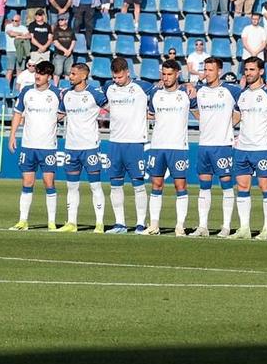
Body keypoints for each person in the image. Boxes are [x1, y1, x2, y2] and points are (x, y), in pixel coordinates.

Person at [8, 58, 61, 230]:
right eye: (37, 72)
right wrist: (12, 135)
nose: (38, 76)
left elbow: (66, 112)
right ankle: (23, 221)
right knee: (27, 182)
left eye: (42, 73)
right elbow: (17, 113)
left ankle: (52, 222)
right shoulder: (26, 91)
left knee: (48, 182)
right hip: (28, 145)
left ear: (49, 76)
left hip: (48, 146)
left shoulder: (57, 94)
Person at [101, 56, 151, 234]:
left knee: (138, 184)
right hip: (115, 142)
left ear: (128, 72)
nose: (116, 81)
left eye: (119, 77)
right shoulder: (109, 88)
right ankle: (120, 223)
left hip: (135, 142)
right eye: (114, 77)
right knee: (115, 184)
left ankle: (140, 223)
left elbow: (163, 92)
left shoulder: (143, 87)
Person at [189, 57, 239, 237]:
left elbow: (244, 109)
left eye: (210, 70)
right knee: (204, 185)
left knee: (226, 185)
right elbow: (197, 113)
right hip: (204, 145)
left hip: (223, 145)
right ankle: (203, 226)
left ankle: (226, 226)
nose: (207, 73)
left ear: (219, 71)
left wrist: (231, 125)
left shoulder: (230, 90)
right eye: (205, 70)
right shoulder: (200, 91)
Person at [231, 56, 267, 240]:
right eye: (246, 69)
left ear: (261, 71)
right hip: (242, 148)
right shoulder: (242, 95)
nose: (248, 73)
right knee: (242, 187)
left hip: (261, 148)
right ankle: (244, 228)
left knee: (266, 187)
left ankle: (266, 228)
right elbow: (236, 118)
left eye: (252, 69)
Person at [144, 59, 194, 237]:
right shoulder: (156, 95)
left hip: (178, 147)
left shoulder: (187, 94)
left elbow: (199, 113)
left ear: (177, 74)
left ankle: (180, 225)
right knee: (156, 184)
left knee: (180, 185)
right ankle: (154, 225)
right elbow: (150, 115)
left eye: (169, 74)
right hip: (157, 146)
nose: (165, 78)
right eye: (163, 74)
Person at [56, 61, 104, 231]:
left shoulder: (94, 94)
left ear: (83, 76)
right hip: (71, 147)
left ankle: (99, 223)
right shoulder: (66, 95)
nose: (70, 76)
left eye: (74, 74)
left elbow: (111, 109)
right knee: (72, 186)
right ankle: (71, 223)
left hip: (90, 146)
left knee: (95, 185)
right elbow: (59, 116)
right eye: (70, 73)